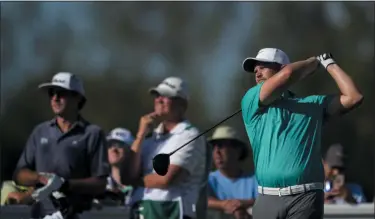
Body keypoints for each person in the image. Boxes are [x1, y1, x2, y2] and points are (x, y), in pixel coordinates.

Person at [241, 49, 363, 219]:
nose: (257, 73)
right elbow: (288, 74)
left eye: (263, 67)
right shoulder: (251, 100)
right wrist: (314, 62)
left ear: (281, 68)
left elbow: (354, 96)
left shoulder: (312, 104)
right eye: (255, 70)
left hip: (306, 197)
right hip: (267, 196)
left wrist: (328, 64)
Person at [12, 72, 110, 219]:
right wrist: (41, 178)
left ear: (77, 98)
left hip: (76, 214)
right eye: (52, 93)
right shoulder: (40, 131)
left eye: (61, 93)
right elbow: (19, 175)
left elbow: (100, 183)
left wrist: (65, 184)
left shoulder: (92, 133)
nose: (55, 98)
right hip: (40, 213)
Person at [120, 76, 207, 219]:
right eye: (157, 95)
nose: (159, 100)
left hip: (171, 213)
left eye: (166, 96)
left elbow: (166, 179)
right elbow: (127, 175)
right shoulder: (149, 137)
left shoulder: (190, 135)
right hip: (142, 210)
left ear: (182, 104)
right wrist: (140, 135)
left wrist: (134, 181)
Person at [207, 125, 258, 219]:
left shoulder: (255, 179)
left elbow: (266, 201)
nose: (217, 151)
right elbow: (202, 201)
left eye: (221, 146)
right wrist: (224, 205)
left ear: (238, 150)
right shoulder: (207, 180)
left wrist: (240, 205)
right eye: (214, 146)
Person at [104, 127, 135, 206]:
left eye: (119, 145)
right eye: (110, 145)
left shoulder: (140, 186)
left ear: (130, 150)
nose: (113, 149)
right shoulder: (99, 183)